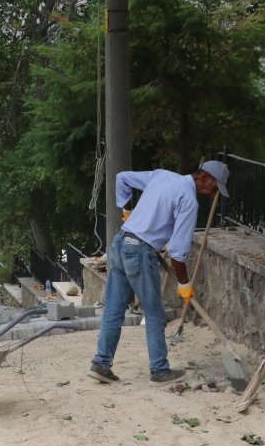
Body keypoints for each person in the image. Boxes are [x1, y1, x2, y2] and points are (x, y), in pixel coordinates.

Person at [88, 160, 230, 385]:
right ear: (206, 178)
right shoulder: (189, 201)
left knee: (113, 310)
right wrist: (184, 285)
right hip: (140, 252)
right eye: (214, 189)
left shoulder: (163, 176)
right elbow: (178, 252)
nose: (212, 195)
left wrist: (127, 210)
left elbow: (122, 177)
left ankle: (101, 363)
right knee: (154, 314)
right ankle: (160, 370)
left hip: (120, 243)